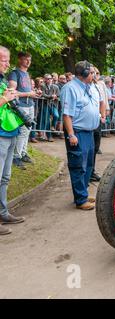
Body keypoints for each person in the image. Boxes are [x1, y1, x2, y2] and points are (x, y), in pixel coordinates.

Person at [60, 61, 101, 210]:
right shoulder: (70, 88)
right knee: (78, 166)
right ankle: (80, 199)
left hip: (89, 132)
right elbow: (67, 115)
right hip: (77, 132)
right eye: (91, 72)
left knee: (88, 165)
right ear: (83, 74)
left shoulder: (89, 87)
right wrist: (71, 135)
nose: (94, 75)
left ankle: (82, 193)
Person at [0, 46, 26, 235]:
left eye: (8, 60)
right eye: (4, 60)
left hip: (10, 131)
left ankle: (3, 212)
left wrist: (12, 97)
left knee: (5, 177)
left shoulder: (2, 80)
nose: (8, 64)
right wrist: (4, 98)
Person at [8, 52, 40, 169]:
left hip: (30, 104)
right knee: (22, 131)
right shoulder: (14, 73)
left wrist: (35, 93)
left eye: (29, 60)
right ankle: (16, 156)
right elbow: (12, 91)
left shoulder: (26, 74)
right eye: (26, 59)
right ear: (20, 60)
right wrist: (29, 93)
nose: (28, 62)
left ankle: (23, 153)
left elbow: (28, 90)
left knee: (28, 130)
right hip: (21, 106)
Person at [90, 67, 107, 182]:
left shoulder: (97, 86)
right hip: (86, 123)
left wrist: (103, 115)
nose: (95, 75)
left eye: (96, 73)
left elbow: (102, 102)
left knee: (95, 147)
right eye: (92, 73)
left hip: (97, 121)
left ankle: (91, 171)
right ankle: (87, 172)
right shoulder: (82, 87)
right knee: (88, 148)